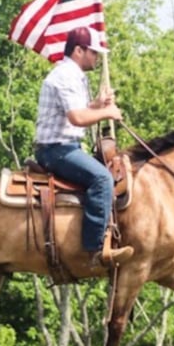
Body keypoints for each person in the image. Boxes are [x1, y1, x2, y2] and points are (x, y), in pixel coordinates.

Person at [34, 26, 135, 268]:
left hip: (66, 146)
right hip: (57, 150)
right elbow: (77, 118)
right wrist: (107, 112)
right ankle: (95, 249)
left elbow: (77, 109)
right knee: (102, 179)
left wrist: (97, 104)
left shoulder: (73, 75)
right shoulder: (66, 76)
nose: (96, 57)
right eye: (93, 52)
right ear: (79, 50)